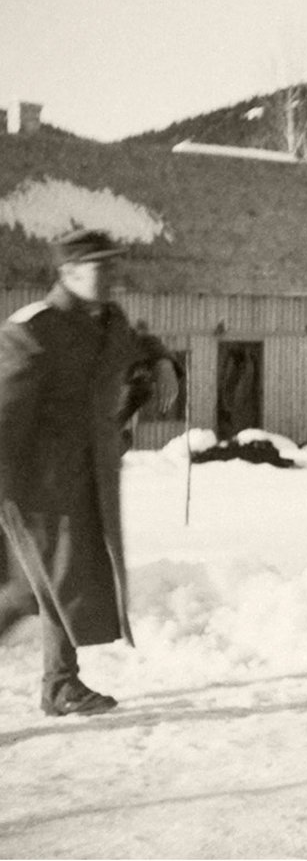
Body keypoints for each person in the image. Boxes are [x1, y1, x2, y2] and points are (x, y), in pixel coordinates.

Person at [0, 229, 180, 716]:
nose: (110, 276)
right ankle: (60, 684)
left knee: (56, 586)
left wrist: (161, 359)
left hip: (84, 482)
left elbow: (135, 343)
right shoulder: (33, 330)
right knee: (34, 591)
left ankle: (61, 685)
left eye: (113, 265)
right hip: (33, 490)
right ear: (69, 272)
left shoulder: (108, 321)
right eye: (100, 267)